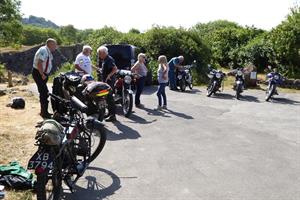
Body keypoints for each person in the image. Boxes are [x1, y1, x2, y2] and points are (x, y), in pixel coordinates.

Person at [32, 38, 57, 118]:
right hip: (39, 73)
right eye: (55, 45)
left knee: (43, 93)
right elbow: (39, 63)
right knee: (44, 93)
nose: (56, 47)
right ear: (50, 44)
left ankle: (44, 111)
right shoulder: (44, 50)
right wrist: (42, 74)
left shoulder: (48, 51)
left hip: (42, 74)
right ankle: (44, 113)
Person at [97, 46, 117, 122]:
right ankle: (110, 113)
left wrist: (109, 75)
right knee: (107, 99)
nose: (99, 55)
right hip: (106, 82)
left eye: (99, 53)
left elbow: (115, 69)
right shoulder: (105, 59)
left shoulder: (109, 59)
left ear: (104, 53)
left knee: (110, 99)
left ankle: (113, 116)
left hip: (109, 82)